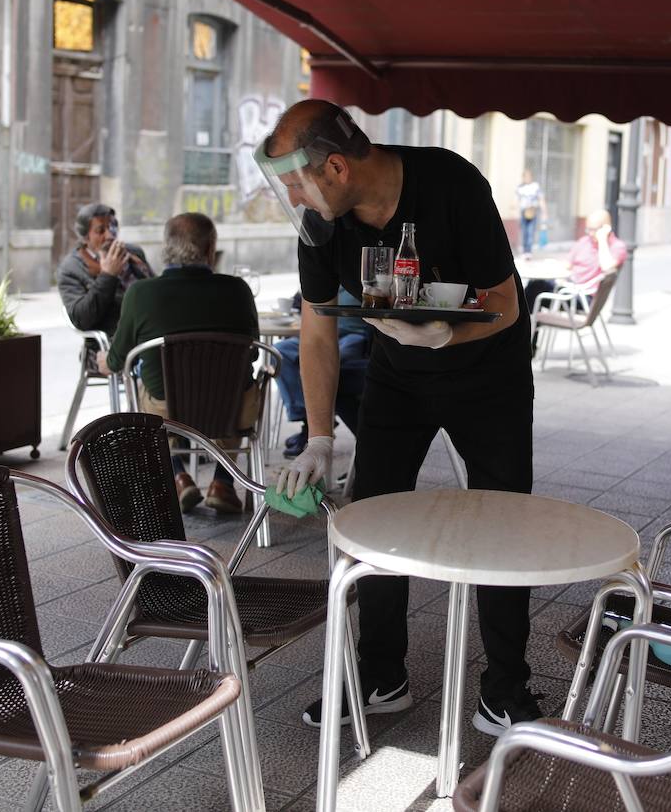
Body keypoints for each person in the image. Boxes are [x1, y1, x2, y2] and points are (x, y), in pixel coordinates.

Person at [255, 99, 540, 736]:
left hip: (486, 374)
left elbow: (504, 304)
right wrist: (321, 437)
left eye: (298, 182)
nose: (295, 197)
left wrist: (443, 338)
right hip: (396, 377)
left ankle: (506, 688)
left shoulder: (451, 184)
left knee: (503, 521)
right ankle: (381, 676)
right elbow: (318, 329)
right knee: (372, 522)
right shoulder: (321, 225)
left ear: (334, 168)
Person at [99, 213, 259, 512]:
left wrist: (104, 360)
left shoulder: (140, 294)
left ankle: (178, 476)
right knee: (230, 386)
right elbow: (252, 354)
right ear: (211, 249)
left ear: (166, 248)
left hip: (168, 414)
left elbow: (117, 361)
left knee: (150, 388)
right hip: (232, 410)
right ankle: (223, 482)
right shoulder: (238, 290)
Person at [275, 288, 369, 457]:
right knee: (280, 353)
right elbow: (300, 301)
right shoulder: (325, 273)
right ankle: (309, 421)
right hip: (318, 333)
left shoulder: (358, 280)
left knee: (338, 365)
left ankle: (317, 427)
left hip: (353, 334)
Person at [57, 202, 154, 349]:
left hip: (151, 330)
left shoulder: (134, 253)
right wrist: (108, 275)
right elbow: (82, 319)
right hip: (113, 343)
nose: (110, 235)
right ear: (85, 237)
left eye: (112, 226)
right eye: (100, 230)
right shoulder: (71, 268)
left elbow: (156, 288)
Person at [521, 209, 628, 343]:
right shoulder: (584, 242)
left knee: (533, 291)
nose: (589, 234)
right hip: (569, 289)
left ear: (606, 228)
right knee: (534, 288)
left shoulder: (617, 247)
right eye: (587, 229)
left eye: (593, 230)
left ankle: (525, 345)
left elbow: (607, 267)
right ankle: (527, 344)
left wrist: (602, 241)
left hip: (584, 299)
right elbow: (566, 265)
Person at [515, 169, 547, 257]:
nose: (527, 178)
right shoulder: (520, 187)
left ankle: (529, 252)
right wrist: (514, 210)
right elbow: (517, 200)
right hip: (523, 212)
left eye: (529, 176)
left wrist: (544, 211)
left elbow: (541, 199)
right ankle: (524, 251)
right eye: (525, 176)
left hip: (532, 211)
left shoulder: (535, 186)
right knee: (524, 232)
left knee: (530, 232)